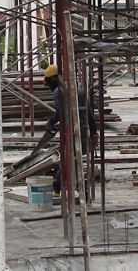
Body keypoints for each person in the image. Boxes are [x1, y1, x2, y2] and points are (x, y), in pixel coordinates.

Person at [44, 64, 97, 196]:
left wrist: (50, 122)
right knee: (71, 161)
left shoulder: (58, 91)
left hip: (71, 133)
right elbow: (89, 112)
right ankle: (58, 187)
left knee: (71, 161)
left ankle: (81, 191)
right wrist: (94, 132)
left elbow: (59, 111)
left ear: (52, 80)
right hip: (83, 132)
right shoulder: (79, 91)